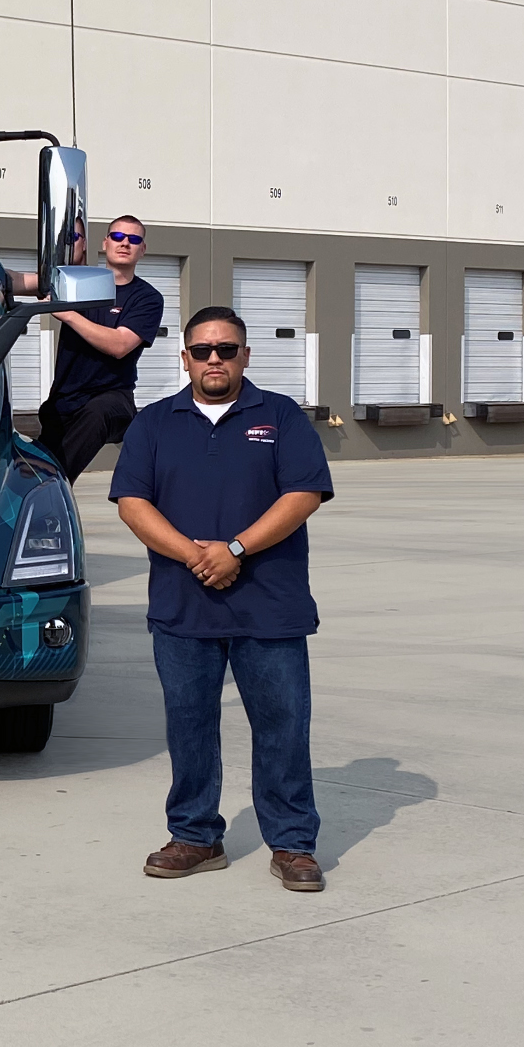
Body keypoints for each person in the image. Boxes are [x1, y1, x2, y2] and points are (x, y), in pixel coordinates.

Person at [108, 306, 334, 892]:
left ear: (245, 356)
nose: (215, 359)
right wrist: (195, 555)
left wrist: (234, 549)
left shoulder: (280, 416)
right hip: (185, 608)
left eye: (227, 349)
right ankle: (195, 836)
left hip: (270, 607)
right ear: (183, 357)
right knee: (189, 726)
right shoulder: (154, 424)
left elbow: (304, 492)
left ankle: (292, 843)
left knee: (283, 726)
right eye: (203, 350)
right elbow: (133, 502)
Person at [13, 215, 163, 480]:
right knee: (31, 472)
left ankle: (49, 483)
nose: (125, 243)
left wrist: (69, 314)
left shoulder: (147, 298)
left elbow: (119, 345)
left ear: (143, 249)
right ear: (105, 243)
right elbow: (18, 282)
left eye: (134, 239)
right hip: (64, 401)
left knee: (51, 475)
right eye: (117, 237)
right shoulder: (77, 282)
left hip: (112, 400)